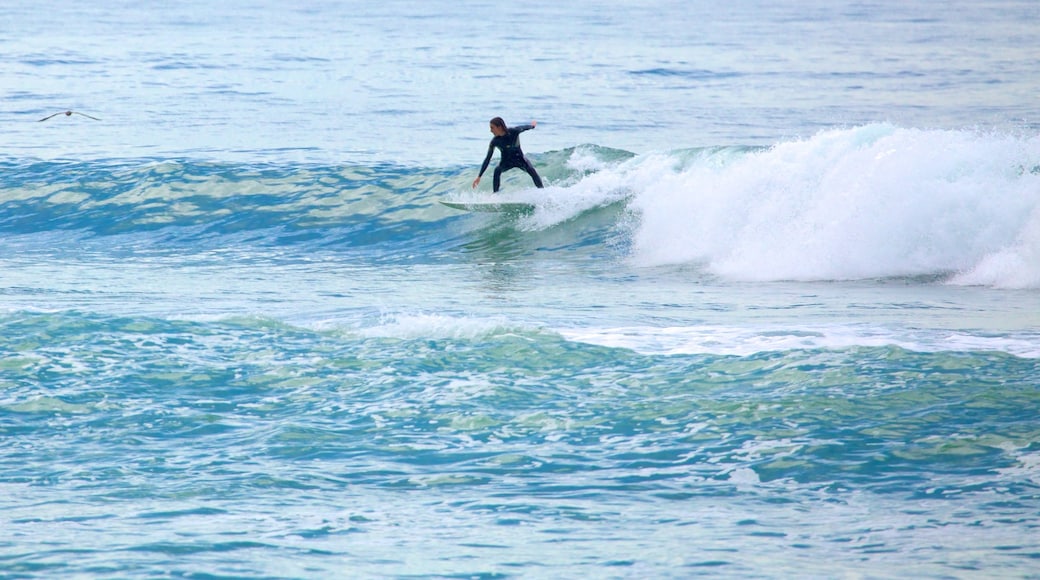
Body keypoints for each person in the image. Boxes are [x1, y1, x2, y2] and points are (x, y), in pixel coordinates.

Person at [472, 117, 544, 192]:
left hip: (520, 159)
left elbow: (524, 127)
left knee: (532, 170)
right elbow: (487, 159)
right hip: (506, 162)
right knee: (497, 170)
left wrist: (532, 126)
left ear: (499, 127)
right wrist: (479, 176)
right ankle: (495, 195)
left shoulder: (514, 132)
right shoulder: (495, 141)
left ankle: (542, 191)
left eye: (492, 128)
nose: (491, 131)